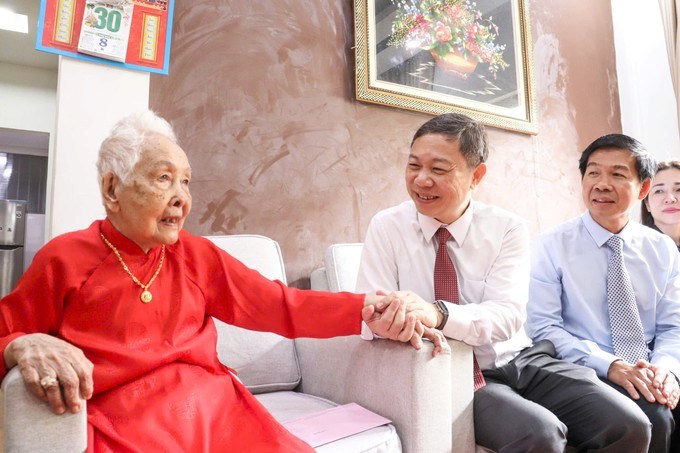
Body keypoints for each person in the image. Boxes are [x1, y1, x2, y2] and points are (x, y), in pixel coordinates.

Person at [0, 110, 446, 452]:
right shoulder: (64, 258)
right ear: (113, 189)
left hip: (217, 414)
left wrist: (367, 310)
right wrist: (20, 344)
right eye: (164, 179)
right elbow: (6, 331)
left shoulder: (196, 255)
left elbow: (280, 305)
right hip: (124, 427)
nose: (182, 198)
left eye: (186, 182)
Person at [357, 113, 655, 452]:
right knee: (540, 434)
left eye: (439, 169)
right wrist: (386, 321)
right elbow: (371, 312)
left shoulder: (506, 228)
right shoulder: (387, 226)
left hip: (521, 358)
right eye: (414, 166)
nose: (421, 180)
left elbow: (507, 316)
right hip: (452, 369)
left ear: (476, 175)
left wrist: (436, 313)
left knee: (629, 425)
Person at [528, 134, 680, 453]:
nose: (602, 184)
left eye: (618, 174)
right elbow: (544, 328)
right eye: (593, 173)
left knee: (663, 401)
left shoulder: (661, 248)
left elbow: (672, 326)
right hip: (585, 368)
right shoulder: (551, 245)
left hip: (650, 364)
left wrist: (665, 370)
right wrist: (610, 364)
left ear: (643, 188)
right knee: (657, 417)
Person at [641, 160, 680, 251]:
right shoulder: (636, 249)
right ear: (647, 204)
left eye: (679, 189)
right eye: (659, 191)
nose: (670, 199)